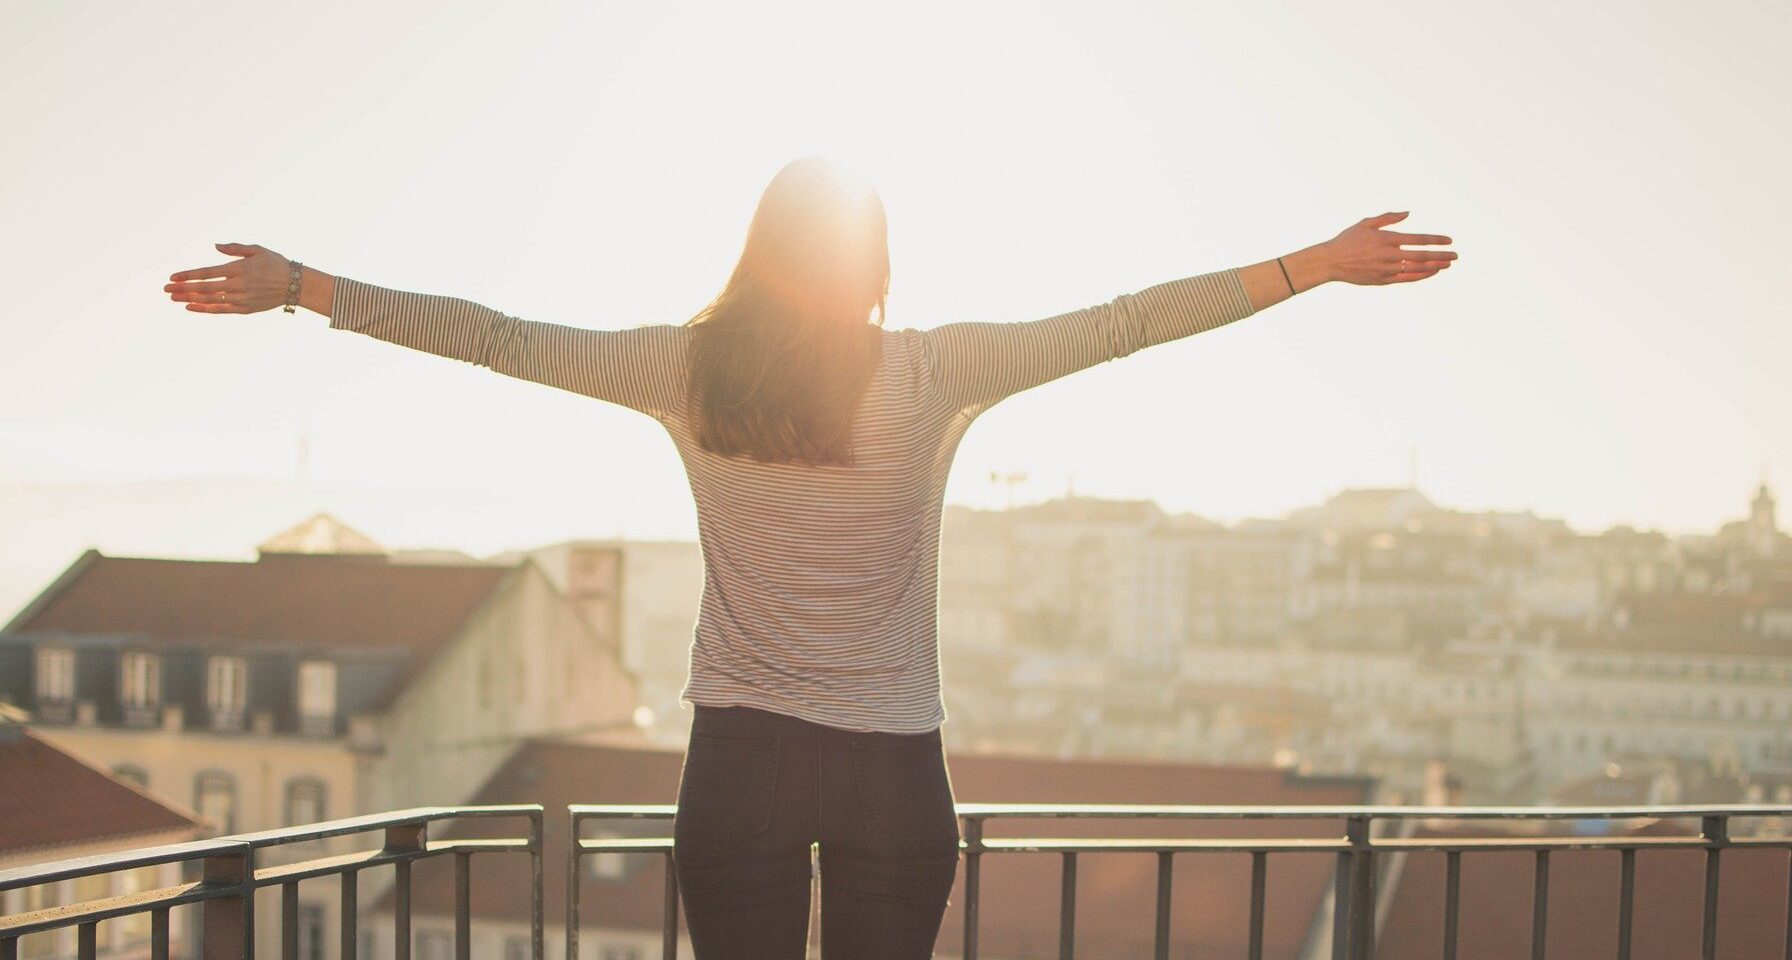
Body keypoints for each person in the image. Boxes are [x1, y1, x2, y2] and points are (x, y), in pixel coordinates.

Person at [163, 157, 1454, 959]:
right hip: (894, 775)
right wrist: (1312, 269)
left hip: (741, 766)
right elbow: (1121, 326)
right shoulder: (933, 370)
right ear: (877, 262)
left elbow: (496, 338)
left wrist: (305, 287)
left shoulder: (685, 368)